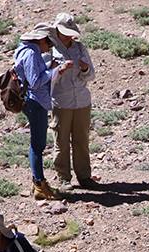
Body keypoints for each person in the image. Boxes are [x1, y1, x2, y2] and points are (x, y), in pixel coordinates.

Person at [14, 22, 72, 201]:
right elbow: (36, 82)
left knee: (36, 144)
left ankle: (38, 182)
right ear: (41, 40)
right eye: (49, 42)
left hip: (32, 101)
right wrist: (56, 70)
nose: (49, 47)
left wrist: (49, 68)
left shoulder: (25, 50)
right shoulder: (31, 53)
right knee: (37, 145)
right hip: (35, 102)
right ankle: (39, 184)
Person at [50, 13, 96, 190]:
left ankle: (84, 177)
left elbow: (91, 75)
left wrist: (84, 69)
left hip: (82, 101)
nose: (69, 36)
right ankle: (63, 178)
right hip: (62, 102)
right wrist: (59, 70)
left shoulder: (79, 48)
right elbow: (44, 79)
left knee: (81, 140)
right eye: (65, 32)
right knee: (61, 141)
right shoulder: (50, 49)